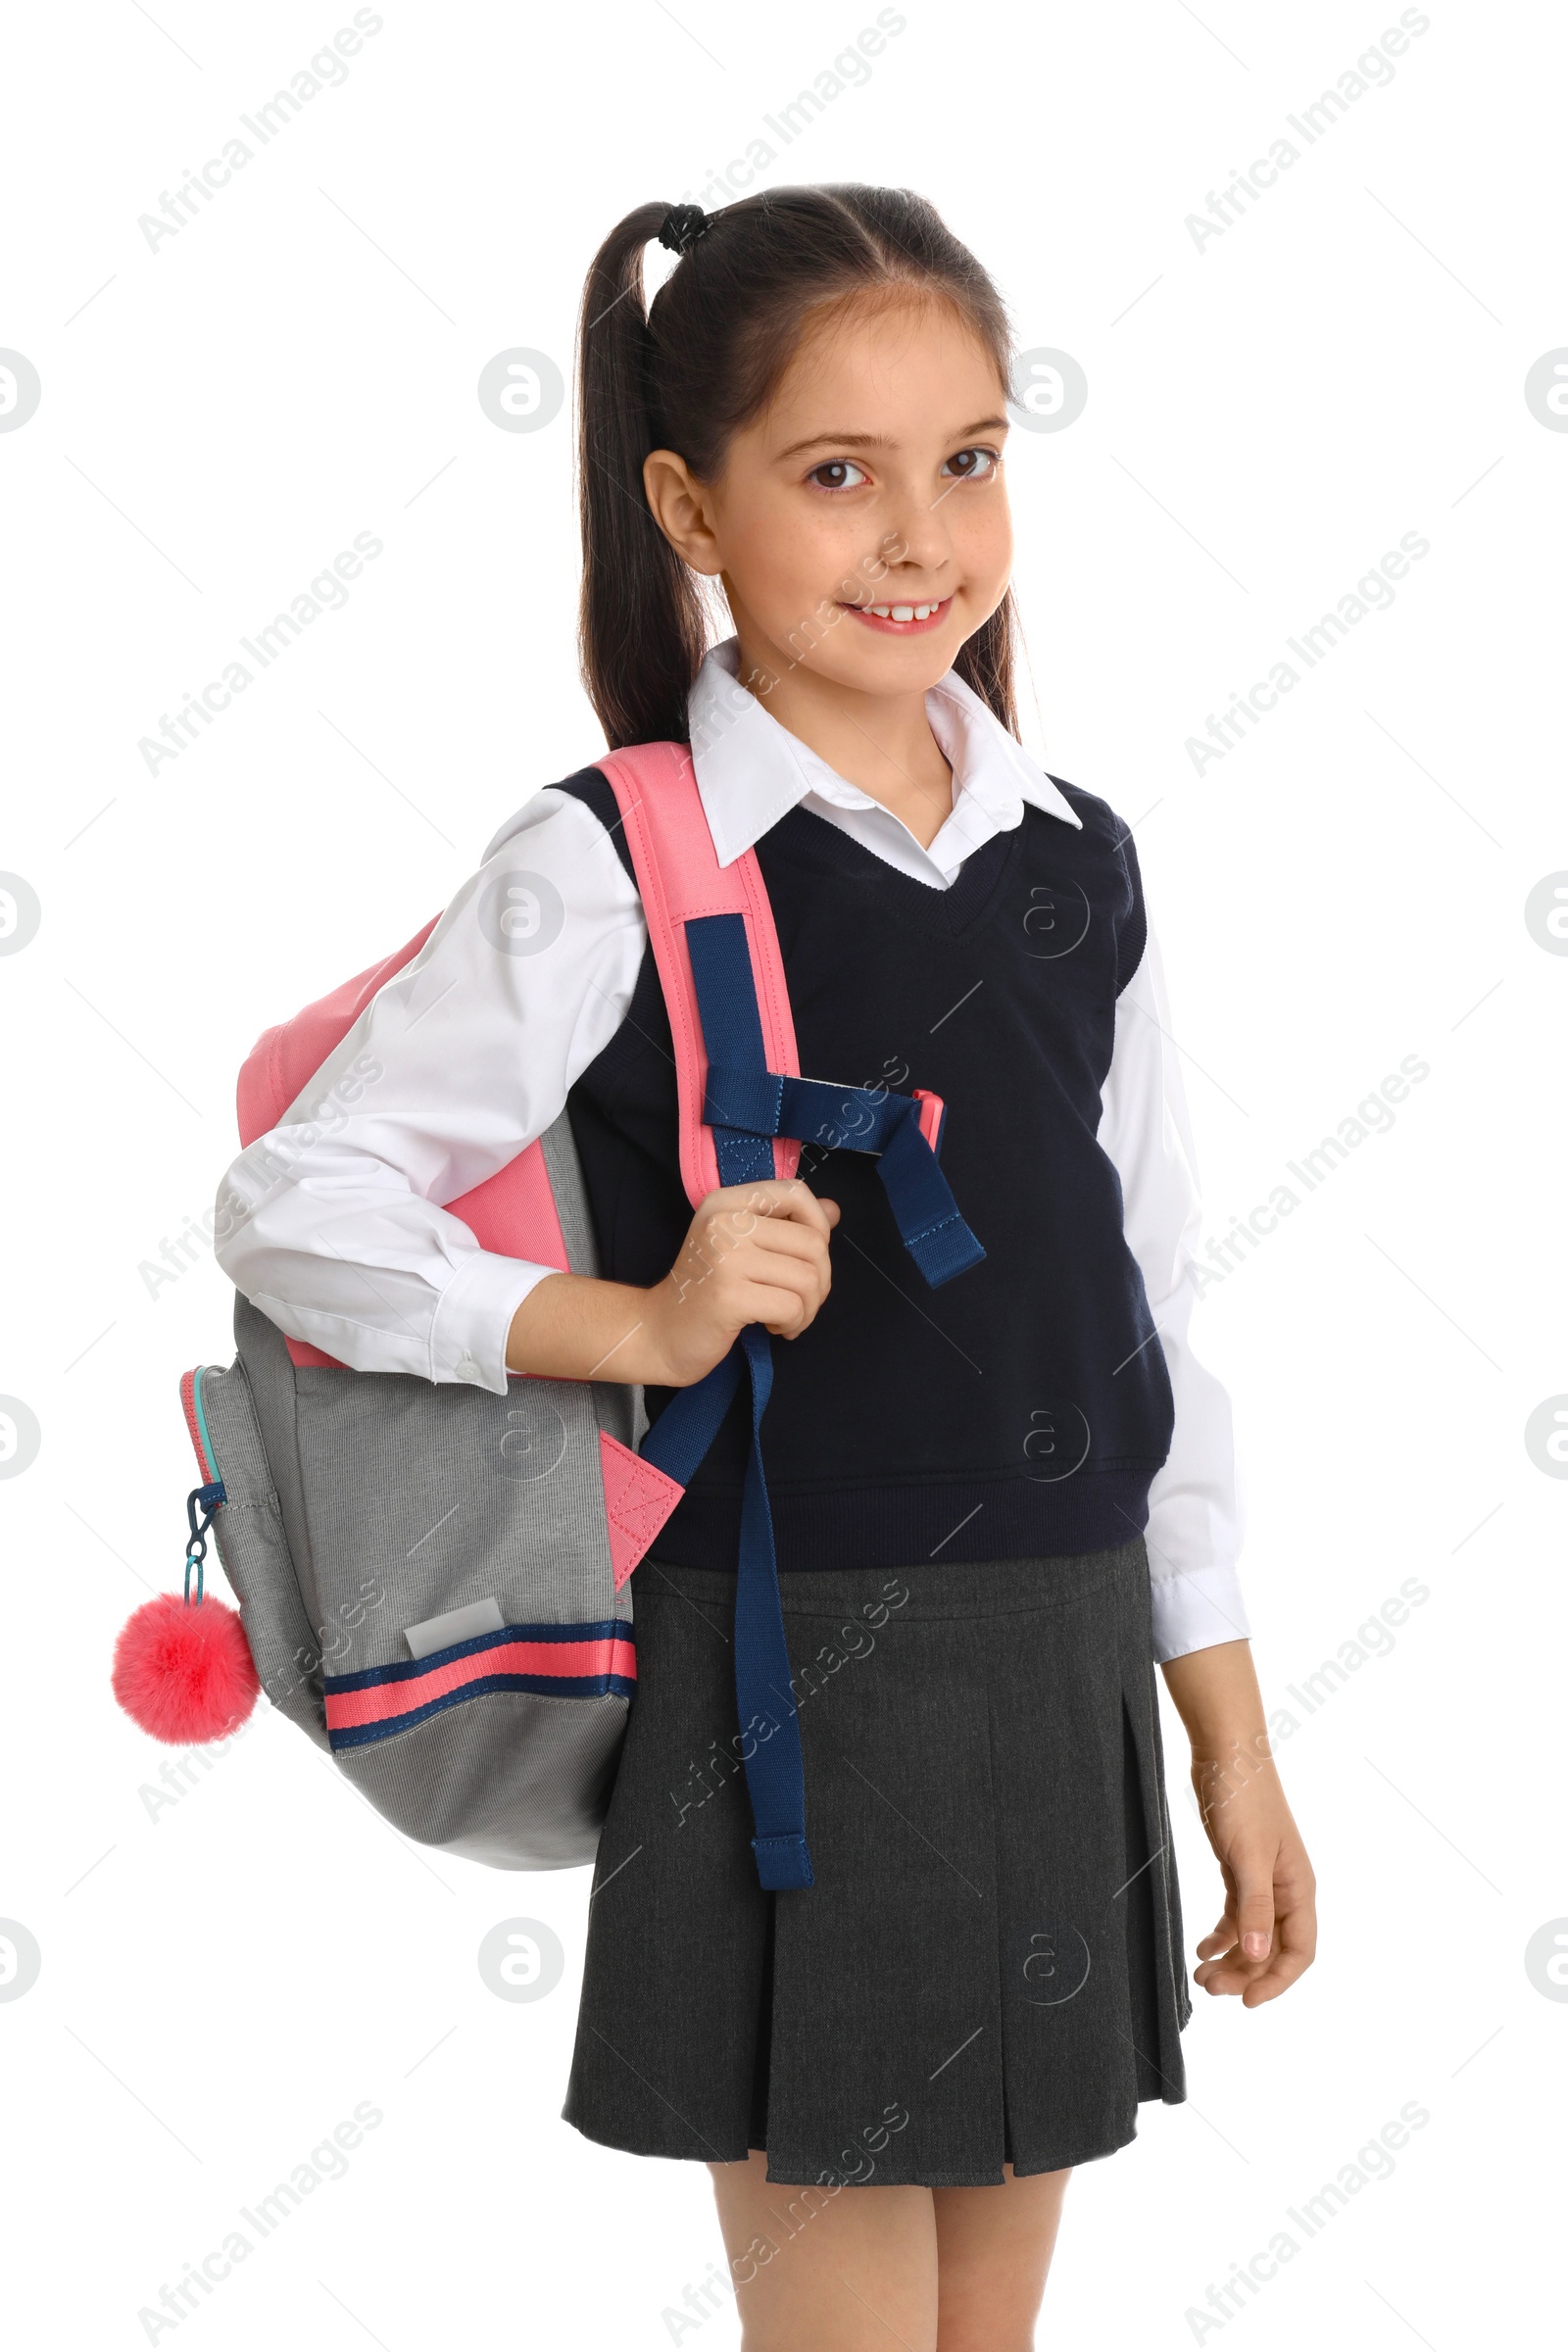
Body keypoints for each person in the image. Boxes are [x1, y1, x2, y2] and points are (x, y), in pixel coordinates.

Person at [215, 184, 1316, 2352]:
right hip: (790, 1673)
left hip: (1059, 1650)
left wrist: (1230, 1742)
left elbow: (1145, 1315)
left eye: (969, 461)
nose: (920, 539)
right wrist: (624, 1319)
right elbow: (298, 1199)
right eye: (837, 475)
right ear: (684, 505)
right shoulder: (614, 857)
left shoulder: (1071, 859)